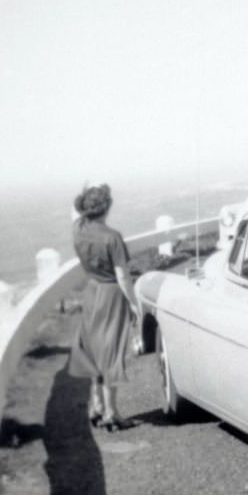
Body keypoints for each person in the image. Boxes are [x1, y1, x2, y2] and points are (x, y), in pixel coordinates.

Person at [68, 183, 141, 431]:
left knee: (93, 351)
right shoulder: (112, 237)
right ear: (107, 207)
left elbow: (74, 213)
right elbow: (122, 276)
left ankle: (96, 405)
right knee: (111, 353)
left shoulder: (78, 229)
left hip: (92, 291)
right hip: (111, 295)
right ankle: (112, 413)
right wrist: (133, 304)